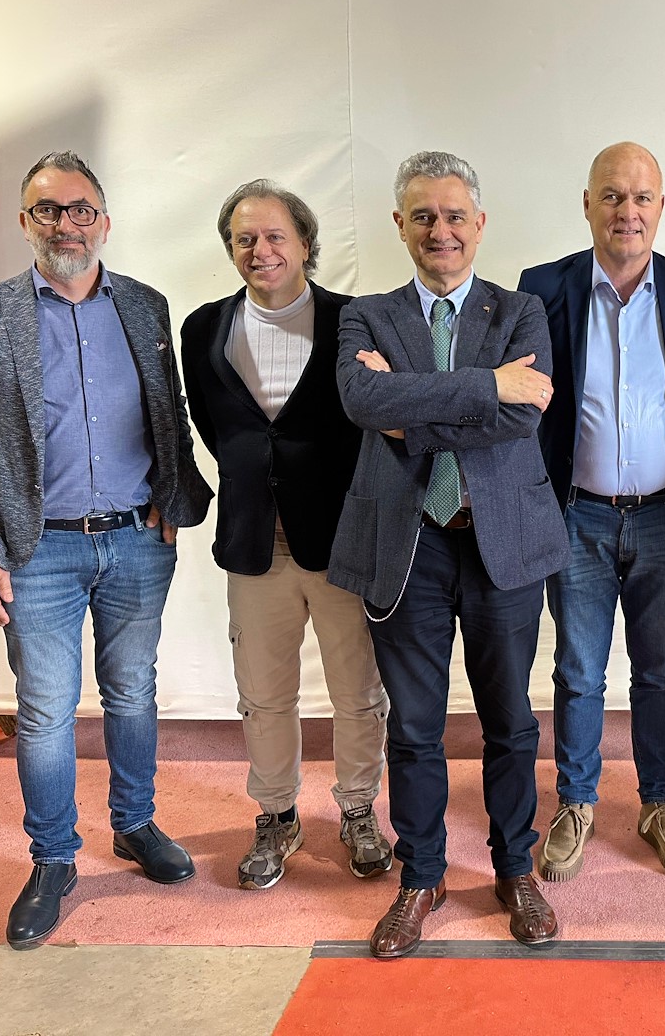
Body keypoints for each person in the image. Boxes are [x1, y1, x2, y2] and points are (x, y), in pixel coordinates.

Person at [0, 150, 212, 950]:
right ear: (25, 222)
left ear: (105, 220)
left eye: (80, 209)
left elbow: (168, 411)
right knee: (44, 711)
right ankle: (54, 858)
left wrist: (174, 496)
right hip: (35, 552)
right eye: (49, 210)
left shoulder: (145, 305)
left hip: (136, 541)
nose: (66, 224)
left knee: (132, 693)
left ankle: (134, 824)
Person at [329, 151, 570, 958]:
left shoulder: (521, 310)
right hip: (407, 546)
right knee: (414, 727)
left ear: (480, 224)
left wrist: (407, 410)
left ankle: (515, 870)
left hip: (502, 544)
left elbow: (522, 416)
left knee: (510, 722)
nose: (441, 231)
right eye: (424, 217)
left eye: (455, 215)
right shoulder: (365, 316)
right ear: (400, 225)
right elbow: (361, 399)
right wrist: (485, 385)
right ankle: (421, 877)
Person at [180, 179, 391, 891]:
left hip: (341, 542)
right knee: (263, 695)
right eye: (244, 239)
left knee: (357, 692)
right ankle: (277, 814)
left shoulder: (354, 320)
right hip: (252, 544)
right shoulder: (203, 329)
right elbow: (217, 429)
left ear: (304, 243)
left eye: (275, 236)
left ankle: (358, 809)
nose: (260, 250)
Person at [518, 143, 665, 882]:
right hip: (577, 518)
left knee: (660, 670)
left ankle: (659, 802)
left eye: (640, 198)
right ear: (587, 204)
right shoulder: (542, 288)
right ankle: (576, 803)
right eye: (611, 196)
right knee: (578, 671)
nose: (626, 212)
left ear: (661, 208)